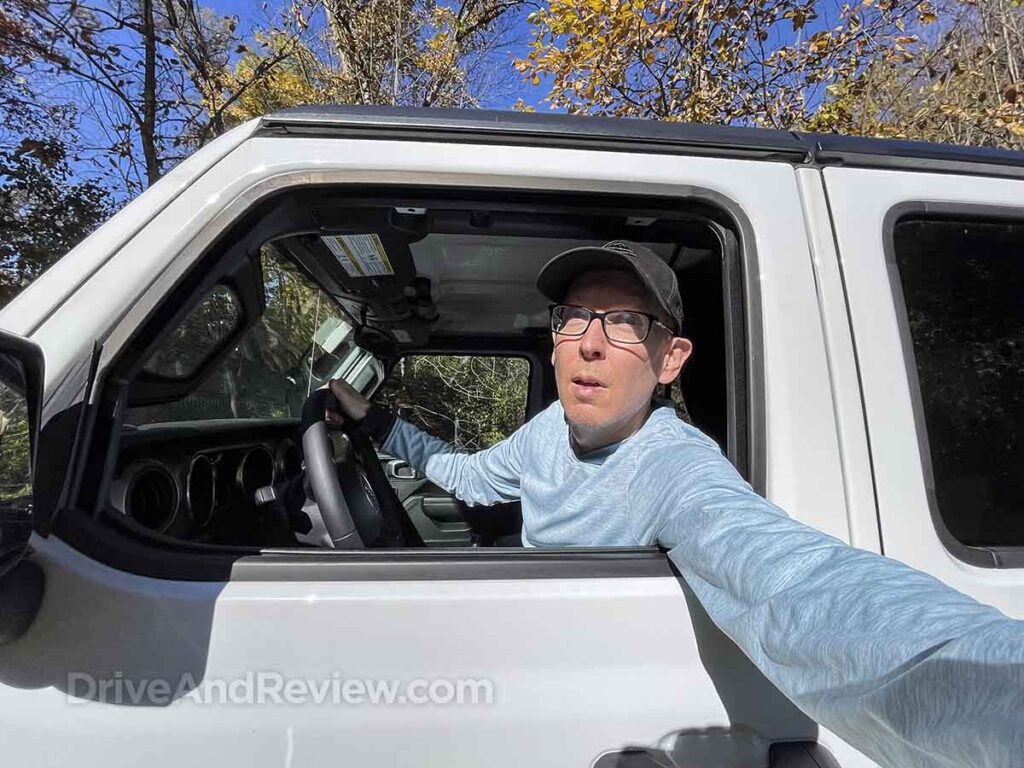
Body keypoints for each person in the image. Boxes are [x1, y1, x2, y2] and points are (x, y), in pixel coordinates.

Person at [328, 240, 1024, 768]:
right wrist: (373, 424)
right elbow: (472, 476)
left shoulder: (678, 468)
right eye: (573, 316)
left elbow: (799, 585)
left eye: (626, 322)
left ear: (670, 360)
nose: (590, 341)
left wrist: (996, 694)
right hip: (534, 673)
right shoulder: (549, 429)